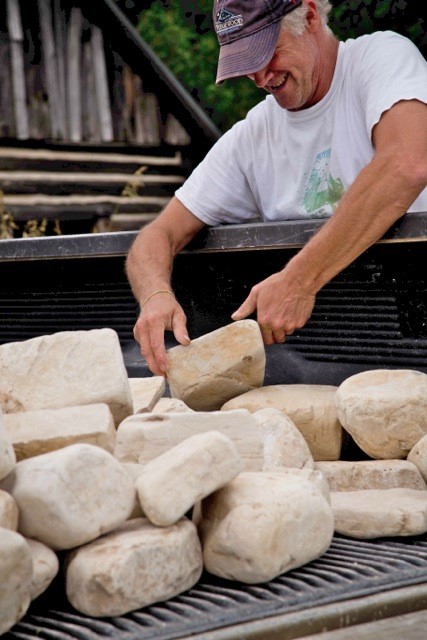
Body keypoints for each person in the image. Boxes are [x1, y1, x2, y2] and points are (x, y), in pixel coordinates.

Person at [126, 0, 427, 377]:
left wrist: (299, 280)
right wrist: (155, 296)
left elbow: (406, 163)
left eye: (267, 52)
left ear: (311, 16)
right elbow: (157, 234)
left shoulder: (381, 58)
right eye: (244, 62)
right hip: (321, 363)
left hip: (415, 337)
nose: (259, 77)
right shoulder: (252, 137)